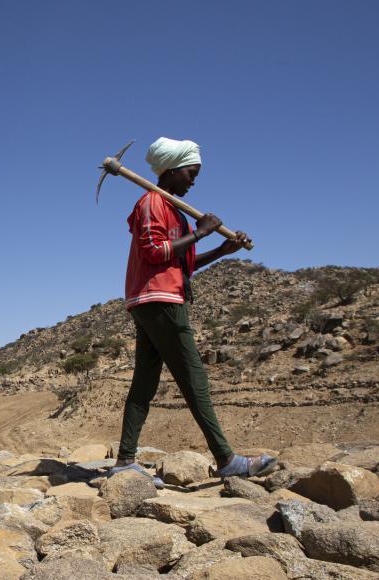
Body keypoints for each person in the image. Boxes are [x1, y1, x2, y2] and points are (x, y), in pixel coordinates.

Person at [112, 137, 276, 479]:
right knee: (194, 378)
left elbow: (181, 263)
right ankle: (227, 459)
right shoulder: (151, 203)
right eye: (190, 172)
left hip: (154, 298)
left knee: (145, 382)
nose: (193, 180)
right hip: (159, 299)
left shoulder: (174, 211)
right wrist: (201, 233)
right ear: (171, 171)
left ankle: (126, 461)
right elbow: (155, 252)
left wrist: (222, 249)